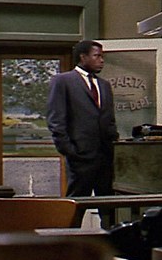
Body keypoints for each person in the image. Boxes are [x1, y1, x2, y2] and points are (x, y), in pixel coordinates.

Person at [47, 40, 119, 203]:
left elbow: (109, 119)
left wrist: (113, 144)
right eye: (97, 56)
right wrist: (70, 151)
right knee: (76, 204)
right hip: (80, 156)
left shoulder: (104, 85)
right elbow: (56, 120)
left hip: (105, 157)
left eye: (102, 57)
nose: (101, 60)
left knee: (109, 205)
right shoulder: (63, 81)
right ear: (83, 57)